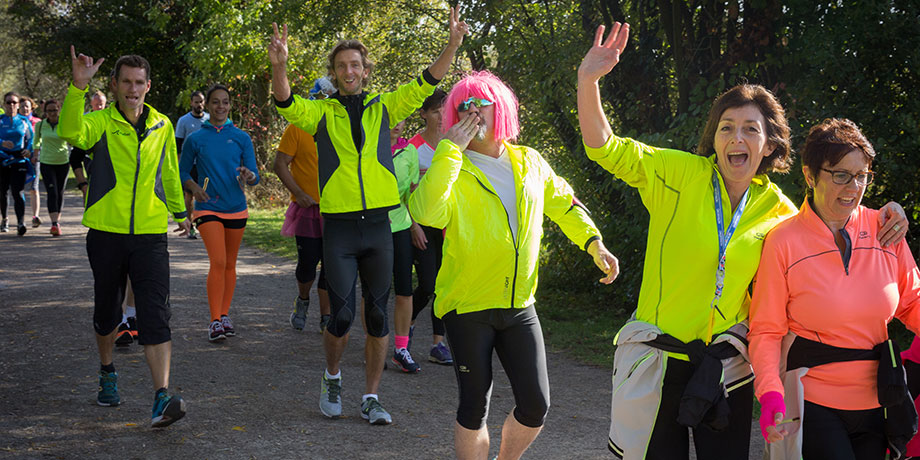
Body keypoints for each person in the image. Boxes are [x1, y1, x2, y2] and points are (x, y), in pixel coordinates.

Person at [576, 23, 909, 459]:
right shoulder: (677, 175)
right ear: (713, 139)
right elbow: (604, 147)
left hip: (727, 364)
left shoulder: (780, 211)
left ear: (769, 145)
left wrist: (888, 212)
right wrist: (588, 81)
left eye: (751, 129)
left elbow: (834, 223)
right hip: (659, 360)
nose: (737, 138)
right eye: (726, 128)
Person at [268, 6, 467, 425]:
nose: (348, 71)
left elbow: (427, 81)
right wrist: (280, 66)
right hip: (338, 227)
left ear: (365, 69)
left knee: (377, 315)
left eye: (355, 64)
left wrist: (451, 45)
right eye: (341, 66)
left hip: (378, 225)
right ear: (335, 72)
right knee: (340, 315)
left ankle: (372, 397)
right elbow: (286, 103)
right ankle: (333, 377)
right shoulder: (322, 113)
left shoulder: (385, 106)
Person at [409, 70, 619, 460]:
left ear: (501, 109)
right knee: (474, 408)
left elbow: (565, 205)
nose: (473, 113)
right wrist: (448, 152)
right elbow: (426, 212)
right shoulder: (452, 165)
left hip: (520, 304)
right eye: (464, 107)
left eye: (481, 105)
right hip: (467, 305)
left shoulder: (529, 162)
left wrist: (595, 244)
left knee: (536, 406)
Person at [750, 118, 920, 460]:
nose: (853, 187)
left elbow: (912, 302)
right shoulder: (783, 242)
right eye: (840, 174)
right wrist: (770, 393)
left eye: (862, 176)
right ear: (810, 175)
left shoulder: (885, 229)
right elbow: (767, 330)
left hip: (879, 402)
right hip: (813, 403)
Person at [59, 47, 190, 427]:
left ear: (147, 86)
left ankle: (161, 396)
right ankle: (107, 370)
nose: (132, 89)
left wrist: (180, 213)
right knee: (108, 312)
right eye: (126, 82)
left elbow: (169, 171)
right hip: (106, 232)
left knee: (156, 314)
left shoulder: (162, 124)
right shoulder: (100, 122)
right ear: (115, 85)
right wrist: (77, 88)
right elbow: (72, 132)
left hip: (150, 233)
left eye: (139, 83)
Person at [180, 84, 260, 341]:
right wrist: (193, 187)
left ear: (230, 105)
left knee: (230, 264)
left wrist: (248, 175)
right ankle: (214, 320)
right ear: (208, 106)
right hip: (207, 208)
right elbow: (181, 173)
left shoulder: (241, 137)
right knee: (218, 261)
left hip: (236, 208)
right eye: (216, 102)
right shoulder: (196, 139)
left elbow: (254, 175)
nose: (221, 107)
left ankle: (225, 315)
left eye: (225, 102)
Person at [274, 77, 335, 334]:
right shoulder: (298, 127)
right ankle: (303, 300)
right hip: (308, 209)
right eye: (325, 96)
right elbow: (279, 164)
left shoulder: (340, 125)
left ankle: (326, 317)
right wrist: (298, 193)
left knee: (332, 266)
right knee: (307, 265)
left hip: (336, 210)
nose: (328, 101)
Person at [407, 89, 452, 364]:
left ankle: (438, 344)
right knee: (428, 283)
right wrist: (413, 226)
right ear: (423, 113)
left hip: (448, 227)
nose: (440, 117)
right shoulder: (412, 147)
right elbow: (403, 193)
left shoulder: (455, 144)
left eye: (444, 111)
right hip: (420, 226)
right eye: (435, 111)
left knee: (444, 285)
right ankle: (407, 324)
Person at [387, 119, 422, 373]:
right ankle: (374, 344)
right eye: (392, 120)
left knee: (404, 290)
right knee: (372, 292)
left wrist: (414, 225)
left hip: (400, 226)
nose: (398, 125)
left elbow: (410, 194)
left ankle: (401, 349)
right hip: (372, 227)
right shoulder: (367, 146)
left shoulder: (409, 150)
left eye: (402, 119)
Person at [33, 99, 70, 236]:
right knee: (52, 191)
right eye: (49, 111)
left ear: (59, 110)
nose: (53, 113)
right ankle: (54, 223)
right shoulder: (41, 125)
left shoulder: (65, 124)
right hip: (47, 162)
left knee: (60, 192)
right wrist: (35, 155)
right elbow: (36, 141)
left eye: (55, 110)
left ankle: (57, 222)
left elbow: (72, 139)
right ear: (45, 112)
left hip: (63, 162)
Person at [175, 90, 209, 239]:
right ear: (191, 103)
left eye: (201, 102)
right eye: (196, 102)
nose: (199, 105)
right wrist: (179, 166)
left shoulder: (209, 120)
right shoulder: (184, 121)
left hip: (205, 164)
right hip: (189, 164)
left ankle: (205, 225)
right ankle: (191, 226)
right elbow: (178, 145)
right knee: (189, 196)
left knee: (206, 195)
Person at [0, 91, 34, 236]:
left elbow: (31, 139)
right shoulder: (0, 120)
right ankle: (5, 220)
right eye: (9, 102)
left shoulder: (24, 121)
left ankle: (21, 222)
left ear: (18, 105)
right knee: (2, 192)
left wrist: (28, 150)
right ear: (4, 104)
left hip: (19, 159)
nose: (12, 105)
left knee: (18, 191)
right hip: (1, 159)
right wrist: (1, 142)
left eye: (14, 102)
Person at [18, 96, 42, 228]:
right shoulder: (15, 122)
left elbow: (41, 140)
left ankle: (35, 216)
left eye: (27, 106)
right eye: (22, 106)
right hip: (19, 158)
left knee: (34, 188)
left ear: (31, 107)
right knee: (18, 189)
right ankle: (20, 218)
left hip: (34, 158)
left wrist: (36, 154)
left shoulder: (38, 122)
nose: (25, 108)